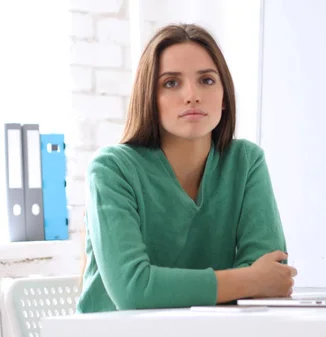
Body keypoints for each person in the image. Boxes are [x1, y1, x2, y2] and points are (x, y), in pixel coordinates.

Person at [76, 23, 297, 313]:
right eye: (171, 83)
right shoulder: (111, 170)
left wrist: (255, 281)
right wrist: (250, 280)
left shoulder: (246, 161)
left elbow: (270, 278)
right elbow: (133, 291)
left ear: (224, 98)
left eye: (206, 80)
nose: (192, 95)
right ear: (150, 100)